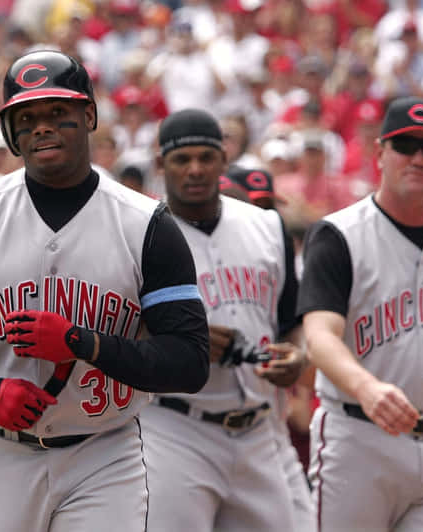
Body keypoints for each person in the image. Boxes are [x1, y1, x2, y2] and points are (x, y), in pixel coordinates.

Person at [0, 49, 210, 532]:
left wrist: (82, 343)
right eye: (26, 117)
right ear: (10, 131)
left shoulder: (146, 223)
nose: (41, 127)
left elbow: (189, 361)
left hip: (103, 453)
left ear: (88, 115)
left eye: (56, 113)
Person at [300, 97, 423, 531]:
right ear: (380, 152)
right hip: (358, 440)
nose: (418, 157)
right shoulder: (338, 234)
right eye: (405, 145)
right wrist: (366, 387)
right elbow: (319, 336)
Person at [140, 109, 312, 532]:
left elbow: (291, 322)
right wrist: (181, 342)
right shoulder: (138, 232)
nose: (195, 169)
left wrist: (297, 357)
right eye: (182, 160)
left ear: (224, 158)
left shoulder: (267, 226)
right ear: (162, 165)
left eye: (206, 157)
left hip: (257, 431)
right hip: (175, 428)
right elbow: (119, 333)